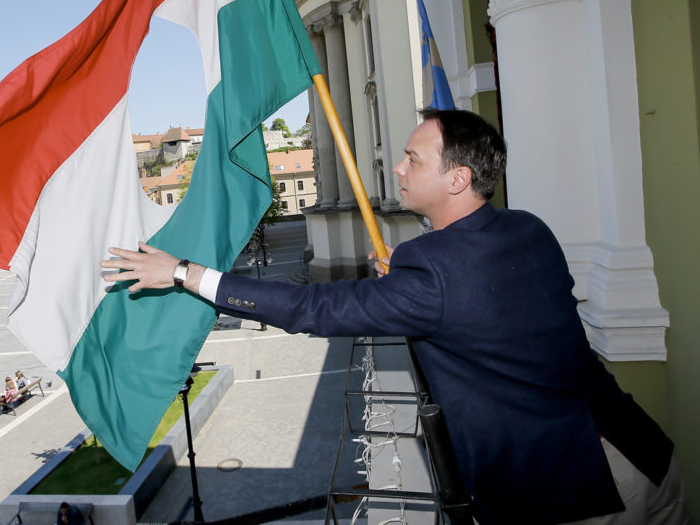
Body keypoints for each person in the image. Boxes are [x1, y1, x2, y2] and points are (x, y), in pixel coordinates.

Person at [101, 109, 688, 525]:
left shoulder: (430, 269)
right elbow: (486, 306)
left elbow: (311, 308)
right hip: (645, 455)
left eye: (413, 158)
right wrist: (406, 288)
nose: (399, 168)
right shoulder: (528, 228)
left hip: (573, 492)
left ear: (458, 178)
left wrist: (186, 273)